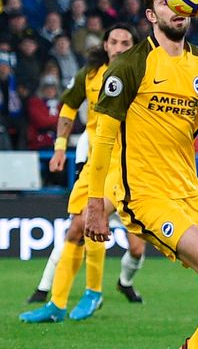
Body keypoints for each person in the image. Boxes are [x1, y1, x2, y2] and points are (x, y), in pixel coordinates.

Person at [82, 0, 198, 348]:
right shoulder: (130, 65)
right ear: (150, 13)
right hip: (144, 195)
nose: (176, 6)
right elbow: (103, 139)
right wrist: (95, 204)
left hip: (191, 194)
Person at [20, 24, 147, 324]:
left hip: (126, 163)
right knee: (75, 230)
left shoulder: (144, 74)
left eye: (125, 42)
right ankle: (57, 304)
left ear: (134, 45)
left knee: (91, 221)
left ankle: (93, 291)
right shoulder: (89, 75)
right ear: (105, 45)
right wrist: (61, 147)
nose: (119, 46)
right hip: (95, 162)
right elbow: (68, 106)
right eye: (113, 41)